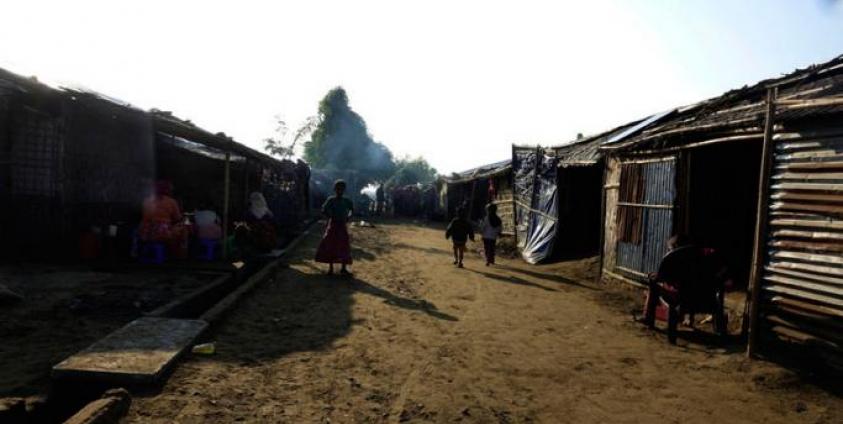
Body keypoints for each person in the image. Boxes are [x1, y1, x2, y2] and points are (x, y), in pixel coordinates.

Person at [139, 180, 189, 259]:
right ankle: (178, 256)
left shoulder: (146, 200)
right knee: (184, 229)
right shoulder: (171, 202)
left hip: (145, 232)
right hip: (162, 233)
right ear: (167, 190)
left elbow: (144, 216)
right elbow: (177, 218)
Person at [315, 180, 354, 275]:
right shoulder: (331, 200)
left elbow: (352, 210)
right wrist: (330, 216)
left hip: (342, 225)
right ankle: (331, 268)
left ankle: (343, 268)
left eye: (341, 189)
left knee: (343, 245)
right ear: (335, 190)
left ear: (344, 190)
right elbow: (323, 210)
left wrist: (348, 216)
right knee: (330, 245)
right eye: (338, 189)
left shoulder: (347, 200)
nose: (339, 191)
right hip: (333, 225)